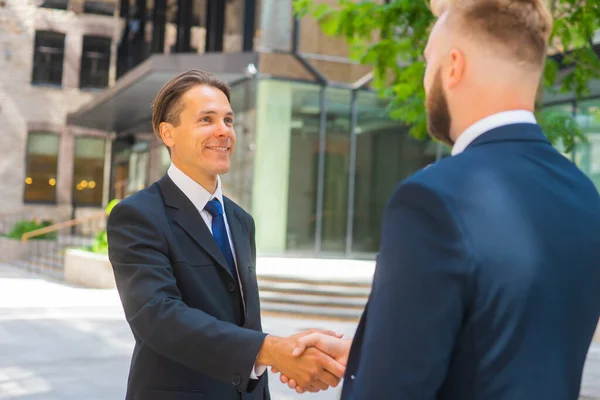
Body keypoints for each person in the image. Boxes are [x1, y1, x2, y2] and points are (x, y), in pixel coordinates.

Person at [275, 0, 600, 398]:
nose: (426, 78)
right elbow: (513, 347)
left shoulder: (432, 200)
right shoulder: (583, 195)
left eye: (428, 61)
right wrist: (365, 354)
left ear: (454, 66)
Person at [107, 69, 345, 400]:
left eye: (228, 120)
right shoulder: (137, 215)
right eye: (207, 119)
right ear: (168, 133)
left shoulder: (241, 220)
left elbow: (240, 321)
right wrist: (274, 350)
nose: (224, 131)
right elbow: (157, 317)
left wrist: (286, 354)